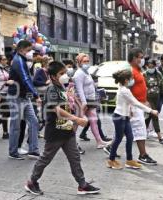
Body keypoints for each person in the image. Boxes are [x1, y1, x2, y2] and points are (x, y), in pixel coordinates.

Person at [25, 61, 100, 195]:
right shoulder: (52, 89)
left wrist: (74, 101)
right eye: (61, 73)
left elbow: (68, 106)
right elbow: (57, 110)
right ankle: (32, 182)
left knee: (75, 157)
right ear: (53, 76)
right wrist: (76, 119)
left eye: (65, 73)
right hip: (55, 132)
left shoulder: (61, 88)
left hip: (67, 130)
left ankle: (82, 184)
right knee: (45, 158)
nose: (65, 75)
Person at [107, 69, 158, 170]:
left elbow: (127, 102)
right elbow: (136, 103)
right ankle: (111, 161)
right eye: (131, 79)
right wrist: (151, 111)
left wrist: (129, 110)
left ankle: (129, 161)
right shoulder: (125, 90)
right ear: (126, 80)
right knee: (118, 139)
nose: (132, 80)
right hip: (119, 117)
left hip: (125, 117)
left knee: (130, 138)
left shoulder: (123, 87)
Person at [8, 40, 41, 160]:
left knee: (34, 121)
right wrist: (36, 95)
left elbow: (27, 79)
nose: (30, 52)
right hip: (16, 97)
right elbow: (26, 79)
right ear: (21, 49)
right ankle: (13, 152)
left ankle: (33, 150)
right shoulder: (18, 61)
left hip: (24, 96)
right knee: (15, 125)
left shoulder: (21, 60)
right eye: (28, 50)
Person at [73, 53, 110, 149]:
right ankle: (70, 143)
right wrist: (83, 102)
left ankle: (99, 141)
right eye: (84, 61)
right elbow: (79, 89)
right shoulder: (78, 74)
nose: (86, 63)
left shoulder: (86, 72)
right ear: (79, 62)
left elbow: (92, 85)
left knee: (94, 121)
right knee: (77, 122)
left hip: (91, 100)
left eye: (87, 61)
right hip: (82, 101)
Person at [128, 48, 157, 165]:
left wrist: (145, 101)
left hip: (139, 104)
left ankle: (111, 147)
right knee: (140, 130)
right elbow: (127, 89)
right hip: (134, 105)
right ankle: (143, 155)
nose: (142, 60)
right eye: (140, 57)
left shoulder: (137, 70)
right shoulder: (130, 71)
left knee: (125, 129)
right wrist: (130, 106)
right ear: (134, 58)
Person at [144, 59, 163, 145]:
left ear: (154, 66)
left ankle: (141, 133)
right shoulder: (144, 74)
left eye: (152, 66)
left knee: (148, 117)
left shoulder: (158, 74)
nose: (150, 68)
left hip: (157, 98)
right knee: (154, 115)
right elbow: (142, 87)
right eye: (149, 66)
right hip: (147, 99)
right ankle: (160, 137)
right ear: (147, 66)